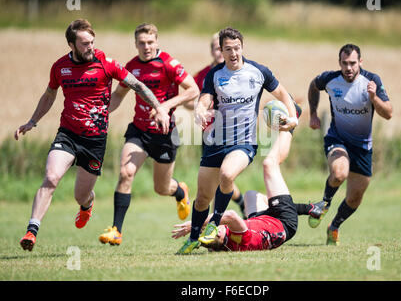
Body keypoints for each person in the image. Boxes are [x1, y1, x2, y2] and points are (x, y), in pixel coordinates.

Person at [15, 19, 170, 252]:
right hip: (67, 134)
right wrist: (32, 121)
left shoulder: (106, 63)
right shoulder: (60, 67)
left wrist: (158, 107)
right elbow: (49, 95)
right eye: (85, 43)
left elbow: (136, 85)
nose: (90, 47)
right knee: (52, 176)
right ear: (72, 44)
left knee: (81, 195)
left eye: (92, 42)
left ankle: (87, 205)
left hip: (95, 140)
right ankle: (32, 230)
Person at [176, 25, 302, 254]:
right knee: (202, 197)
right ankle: (194, 238)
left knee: (227, 174)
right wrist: (200, 111)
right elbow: (205, 98)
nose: (233, 53)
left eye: (237, 48)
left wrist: (293, 118)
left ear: (242, 47)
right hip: (216, 142)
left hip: (244, 143)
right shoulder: (215, 75)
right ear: (221, 52)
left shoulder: (258, 71)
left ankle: (214, 225)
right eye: (228, 49)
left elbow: (283, 94)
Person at [98, 23, 199, 246]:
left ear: (157, 42)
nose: (146, 47)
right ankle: (116, 230)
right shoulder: (131, 67)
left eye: (150, 42)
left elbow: (193, 90)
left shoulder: (169, 64)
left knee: (161, 188)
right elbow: (117, 96)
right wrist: (101, 113)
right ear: (135, 44)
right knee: (126, 173)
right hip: (140, 131)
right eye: (142, 43)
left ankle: (179, 191)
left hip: (165, 134)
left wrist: (164, 107)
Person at [172, 127, 326, 252]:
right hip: (284, 222)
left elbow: (215, 243)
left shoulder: (224, 245)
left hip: (259, 220)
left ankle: (310, 209)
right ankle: (290, 128)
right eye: (215, 233)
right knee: (269, 164)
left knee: (250, 196)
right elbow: (231, 216)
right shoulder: (239, 239)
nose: (215, 230)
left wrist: (202, 232)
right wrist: (195, 224)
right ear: (221, 237)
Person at [307, 43, 393, 245]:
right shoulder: (330, 79)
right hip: (338, 139)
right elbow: (313, 85)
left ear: (360, 62)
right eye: (344, 63)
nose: (348, 68)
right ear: (339, 63)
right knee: (339, 173)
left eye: (353, 63)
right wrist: (313, 113)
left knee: (355, 197)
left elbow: (388, 113)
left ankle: (334, 226)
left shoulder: (372, 81)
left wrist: (373, 98)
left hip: (363, 147)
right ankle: (324, 204)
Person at [184, 32, 246, 218]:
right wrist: (201, 106)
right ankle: (238, 204)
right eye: (216, 48)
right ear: (212, 50)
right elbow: (189, 100)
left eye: (222, 48)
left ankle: (217, 220)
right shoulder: (204, 74)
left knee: (223, 178)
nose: (219, 52)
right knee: (216, 182)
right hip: (210, 134)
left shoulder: (239, 71)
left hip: (233, 134)